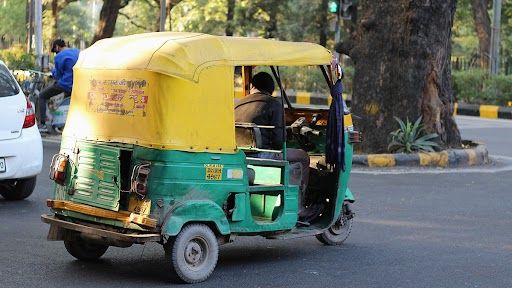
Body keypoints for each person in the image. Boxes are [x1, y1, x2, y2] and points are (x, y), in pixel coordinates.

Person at [235, 71, 310, 217]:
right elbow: (278, 142)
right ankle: (300, 206)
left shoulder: (237, 104)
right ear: (271, 89)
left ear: (252, 86)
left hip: (240, 156)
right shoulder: (273, 104)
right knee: (302, 156)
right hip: (263, 155)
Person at [38, 39, 79, 132]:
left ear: (57, 47)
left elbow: (57, 75)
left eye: (55, 51)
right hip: (77, 84)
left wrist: (52, 68)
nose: (55, 53)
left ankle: (43, 124)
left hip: (65, 84)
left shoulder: (59, 56)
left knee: (42, 96)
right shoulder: (77, 52)